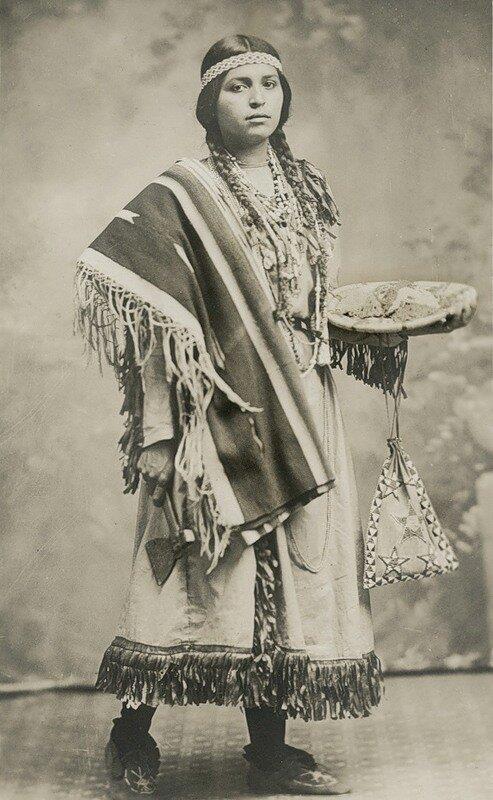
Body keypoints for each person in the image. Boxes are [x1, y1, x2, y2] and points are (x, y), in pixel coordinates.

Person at [75, 34, 383, 796]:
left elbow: (315, 305)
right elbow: (161, 324)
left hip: (299, 405)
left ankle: (268, 751)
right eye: (236, 86)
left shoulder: (308, 192)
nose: (255, 99)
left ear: (285, 97)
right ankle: (132, 734)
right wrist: (156, 433)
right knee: (191, 570)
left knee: (284, 576)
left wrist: (375, 331)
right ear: (208, 104)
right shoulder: (183, 195)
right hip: (210, 410)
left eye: (267, 85)